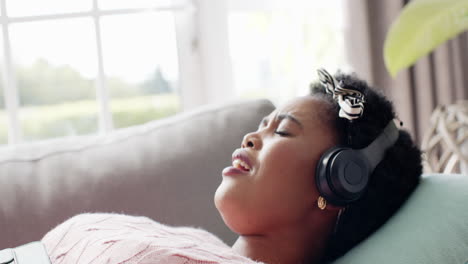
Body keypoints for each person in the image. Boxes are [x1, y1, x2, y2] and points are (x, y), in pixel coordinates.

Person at [41, 69, 422, 264]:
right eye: (261, 126)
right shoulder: (193, 242)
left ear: (338, 182)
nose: (250, 138)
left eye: (283, 132)